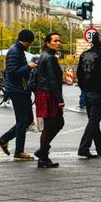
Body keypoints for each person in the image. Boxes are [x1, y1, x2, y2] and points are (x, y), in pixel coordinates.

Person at [0, 29, 37, 161]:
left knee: (27, 120)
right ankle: (19, 151)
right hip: (17, 90)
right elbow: (12, 72)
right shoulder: (14, 51)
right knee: (22, 121)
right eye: (30, 42)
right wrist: (29, 67)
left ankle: (4, 139)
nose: (30, 45)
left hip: (22, 89)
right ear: (26, 41)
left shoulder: (18, 50)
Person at [34, 32, 65, 168]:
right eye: (55, 41)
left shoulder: (44, 56)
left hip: (44, 92)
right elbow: (53, 80)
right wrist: (60, 99)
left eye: (59, 41)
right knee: (51, 125)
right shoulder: (50, 58)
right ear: (48, 43)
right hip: (49, 94)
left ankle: (42, 151)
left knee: (56, 123)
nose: (58, 43)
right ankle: (43, 157)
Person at [77, 32, 101, 158]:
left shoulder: (84, 54)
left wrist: (83, 87)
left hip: (86, 92)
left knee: (93, 121)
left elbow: (79, 73)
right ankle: (83, 148)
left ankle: (100, 148)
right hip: (97, 92)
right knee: (94, 121)